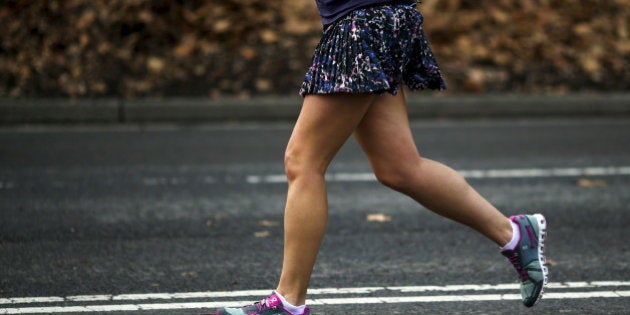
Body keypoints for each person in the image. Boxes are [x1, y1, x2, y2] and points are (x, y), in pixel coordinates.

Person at [215, 1, 548, 314]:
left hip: (363, 24)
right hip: (378, 19)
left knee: (302, 163)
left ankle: (289, 300)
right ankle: (513, 234)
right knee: (399, 168)